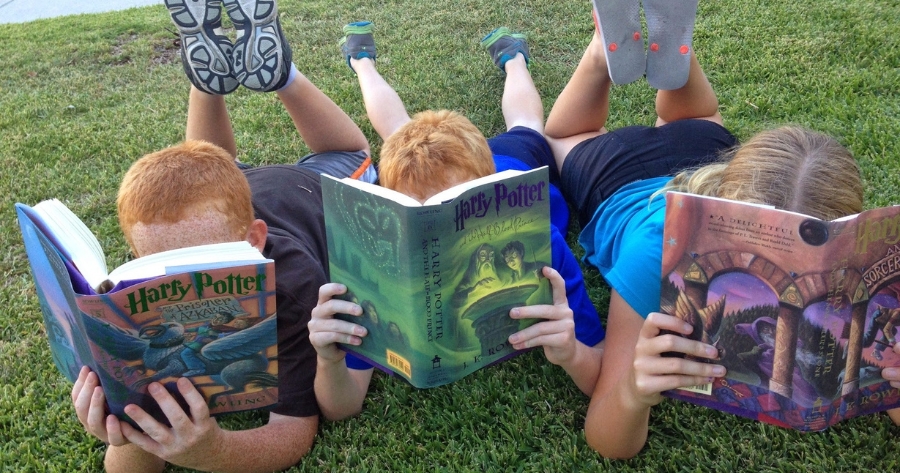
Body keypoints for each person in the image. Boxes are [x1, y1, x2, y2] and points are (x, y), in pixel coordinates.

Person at [541, 0, 884, 459]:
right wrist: (632, 391)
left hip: (704, 146)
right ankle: (603, 55)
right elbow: (606, 438)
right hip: (619, 177)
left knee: (696, 121)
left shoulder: (864, 269)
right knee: (564, 135)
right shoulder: (657, 254)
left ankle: (670, 56)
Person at [68, 0, 375, 471]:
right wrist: (125, 432)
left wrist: (214, 452)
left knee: (353, 153)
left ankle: (283, 77)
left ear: (255, 241)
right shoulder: (128, 303)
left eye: (207, 264)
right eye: (164, 269)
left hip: (312, 189)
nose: (189, 283)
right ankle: (207, 83)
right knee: (216, 165)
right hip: (231, 190)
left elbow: (294, 432)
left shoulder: (292, 282)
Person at [309, 23, 606, 421]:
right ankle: (361, 61)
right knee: (398, 133)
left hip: (511, 161)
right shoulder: (381, 265)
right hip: (425, 170)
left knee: (526, 126)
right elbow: (341, 409)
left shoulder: (542, 246)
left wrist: (572, 352)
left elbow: (599, 369)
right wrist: (328, 361)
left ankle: (513, 58)